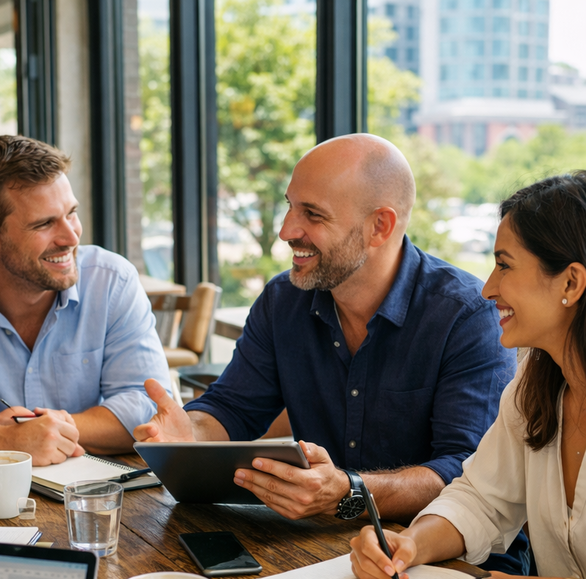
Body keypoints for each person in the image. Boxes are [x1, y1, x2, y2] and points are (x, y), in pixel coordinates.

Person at [135, 134, 516, 527]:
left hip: (447, 559)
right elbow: (233, 408)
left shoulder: (466, 316)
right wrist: (188, 434)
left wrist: (348, 492)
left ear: (379, 227)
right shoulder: (283, 300)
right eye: (290, 207)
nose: (285, 231)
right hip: (327, 544)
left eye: (312, 214)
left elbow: (465, 475)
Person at [350, 172, 586, 579]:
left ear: (570, 283)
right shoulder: (533, 388)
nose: (488, 288)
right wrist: (409, 546)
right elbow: (481, 500)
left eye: (505, 264)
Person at [0, 135, 170, 471]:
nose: (71, 237)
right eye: (44, 223)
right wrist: (3, 442)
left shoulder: (113, 281)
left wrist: (40, 431)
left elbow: (151, 409)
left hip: (94, 497)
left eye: (71, 213)